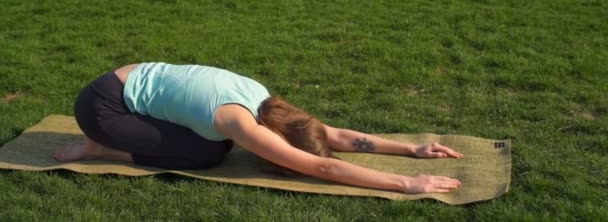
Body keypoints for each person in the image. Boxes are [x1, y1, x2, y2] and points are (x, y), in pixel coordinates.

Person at [54, 62, 463, 194]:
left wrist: (412, 151)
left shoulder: (264, 100)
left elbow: (332, 135)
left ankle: (116, 137)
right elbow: (322, 168)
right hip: (102, 109)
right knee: (207, 153)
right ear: (275, 141)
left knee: (213, 145)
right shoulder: (237, 122)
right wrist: (405, 184)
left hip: (124, 82)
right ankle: (101, 147)